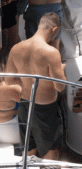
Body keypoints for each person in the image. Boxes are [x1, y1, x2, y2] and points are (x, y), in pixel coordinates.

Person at [6, 12, 66, 160]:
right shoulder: (51, 53)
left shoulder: (16, 48)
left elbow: (9, 81)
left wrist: (26, 85)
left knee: (29, 146)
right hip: (45, 109)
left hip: (25, 104)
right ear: (53, 29)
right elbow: (60, 87)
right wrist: (61, 72)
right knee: (51, 150)